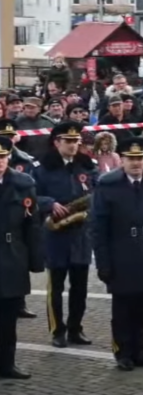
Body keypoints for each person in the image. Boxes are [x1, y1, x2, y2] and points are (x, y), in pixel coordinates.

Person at [89, 136, 143, 372]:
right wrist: (103, 263)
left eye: (140, 158)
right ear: (122, 160)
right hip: (122, 252)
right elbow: (98, 228)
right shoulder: (108, 185)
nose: (136, 163)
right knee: (123, 309)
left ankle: (140, 350)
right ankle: (123, 352)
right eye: (131, 159)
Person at [34, 122, 97, 348]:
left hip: (81, 236)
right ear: (56, 142)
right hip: (56, 236)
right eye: (68, 141)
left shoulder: (87, 166)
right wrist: (49, 203)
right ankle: (57, 330)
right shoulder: (42, 168)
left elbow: (97, 192)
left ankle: (75, 328)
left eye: (76, 141)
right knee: (56, 287)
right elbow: (32, 195)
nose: (73, 145)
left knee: (80, 288)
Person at [0, 137, 45, 379]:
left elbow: (32, 224)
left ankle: (7, 364)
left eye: (2, 157)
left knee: (8, 318)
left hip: (11, 254)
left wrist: (35, 260)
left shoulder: (23, 183)